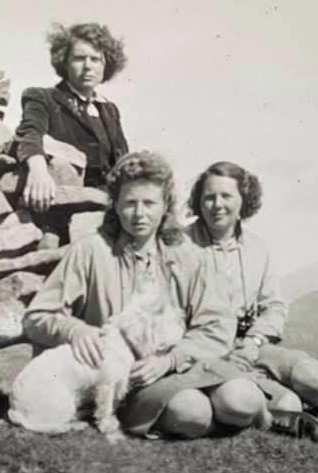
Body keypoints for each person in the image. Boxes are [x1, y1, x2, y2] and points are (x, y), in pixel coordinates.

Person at [24, 151, 265, 439]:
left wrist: (171, 360)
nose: (139, 214)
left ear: (166, 206)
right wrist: (74, 329)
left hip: (182, 364)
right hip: (126, 380)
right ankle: (205, 418)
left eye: (149, 203)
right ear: (115, 206)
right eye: (129, 203)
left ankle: (248, 411)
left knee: (242, 399)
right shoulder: (90, 251)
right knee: (192, 412)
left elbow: (217, 327)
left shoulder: (187, 255)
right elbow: (37, 316)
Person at [185, 161, 318, 438]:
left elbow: (274, 307)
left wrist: (254, 343)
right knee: (278, 402)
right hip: (207, 351)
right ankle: (277, 405)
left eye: (226, 196)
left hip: (253, 347)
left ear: (244, 201)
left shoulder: (257, 248)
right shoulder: (181, 246)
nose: (217, 204)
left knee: (317, 380)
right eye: (209, 196)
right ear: (198, 201)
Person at [13, 23, 130, 218]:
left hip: (105, 209)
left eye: (95, 59)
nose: (88, 66)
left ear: (106, 65)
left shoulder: (109, 110)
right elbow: (30, 134)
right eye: (79, 58)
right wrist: (38, 171)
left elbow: (123, 161)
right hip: (60, 205)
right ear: (64, 62)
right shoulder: (42, 97)